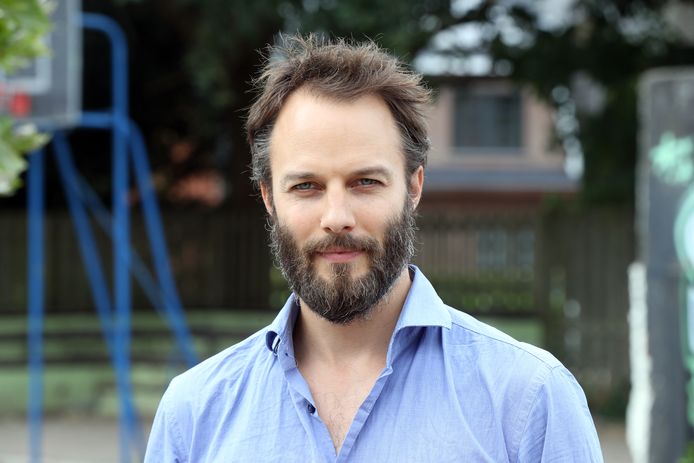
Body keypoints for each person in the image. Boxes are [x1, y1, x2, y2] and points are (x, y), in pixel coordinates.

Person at [145, 34, 603, 462]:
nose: (336, 216)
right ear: (269, 198)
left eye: (365, 182)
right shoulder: (193, 416)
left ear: (413, 187)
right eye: (306, 186)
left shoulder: (529, 400)